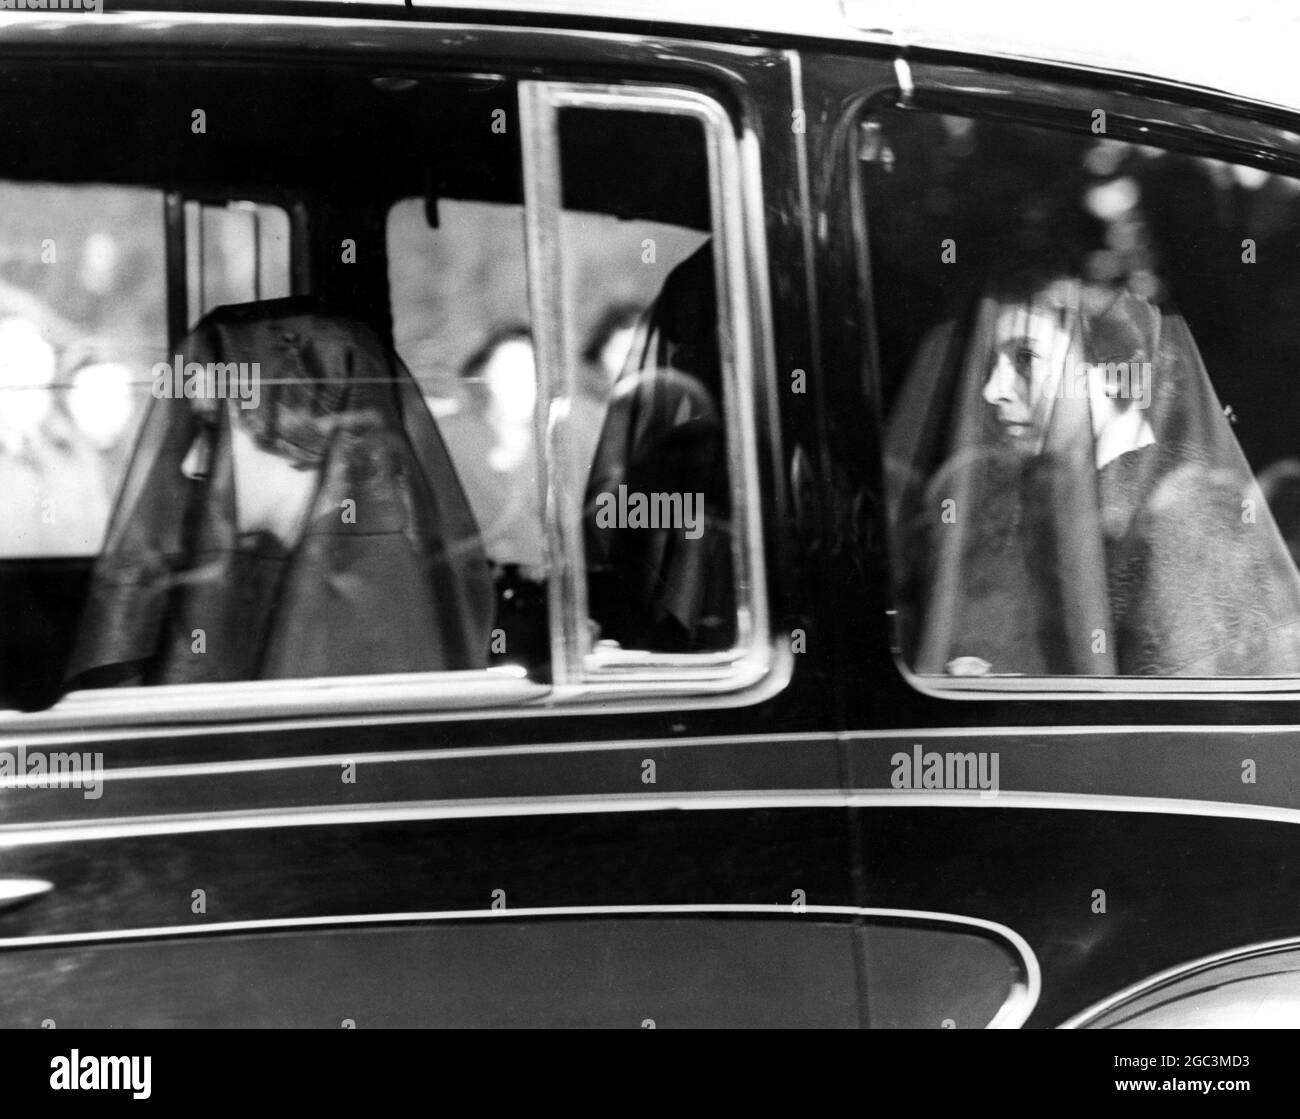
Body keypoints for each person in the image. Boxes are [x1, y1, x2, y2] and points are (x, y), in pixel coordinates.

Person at [888, 268, 1300, 677]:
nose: (992, 390)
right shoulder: (1029, 499)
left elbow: (1184, 703)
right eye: (992, 363)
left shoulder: (1184, 513)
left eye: (1025, 358)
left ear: (1114, 373)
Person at [66, 296, 494, 688]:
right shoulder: (262, 570)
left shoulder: (376, 607)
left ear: (293, 430)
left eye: (213, 433)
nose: (190, 463)